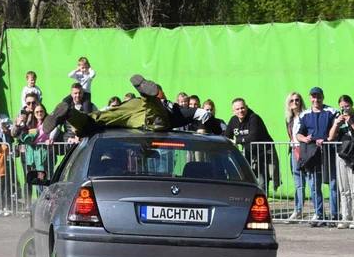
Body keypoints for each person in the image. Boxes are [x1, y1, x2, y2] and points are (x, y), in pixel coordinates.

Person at [42, 75, 218, 137]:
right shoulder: (179, 109)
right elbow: (204, 114)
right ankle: (148, 96)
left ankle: (70, 114)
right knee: (157, 120)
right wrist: (218, 130)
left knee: (96, 119)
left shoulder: (131, 103)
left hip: (132, 105)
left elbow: (105, 113)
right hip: (151, 114)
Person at [295, 86, 339, 226]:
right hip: (311, 154)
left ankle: (334, 214)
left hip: (329, 152)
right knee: (314, 185)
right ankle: (319, 214)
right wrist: (304, 139)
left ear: (323, 97)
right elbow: (298, 134)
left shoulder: (332, 111)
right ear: (310, 98)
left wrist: (326, 139)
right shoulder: (304, 114)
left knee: (332, 184)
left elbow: (337, 130)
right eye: (313, 97)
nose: (316, 99)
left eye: (318, 96)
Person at [327, 95, 354, 228]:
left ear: (352, 104)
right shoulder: (338, 118)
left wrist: (351, 122)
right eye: (342, 107)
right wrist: (337, 123)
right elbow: (330, 137)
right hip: (341, 154)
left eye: (347, 106)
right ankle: (345, 217)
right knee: (343, 189)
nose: (345, 109)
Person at [225, 97, 276, 193]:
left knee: (262, 180)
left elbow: (253, 136)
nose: (241, 111)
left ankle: (263, 204)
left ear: (247, 107)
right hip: (248, 153)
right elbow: (227, 136)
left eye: (242, 108)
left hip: (263, 152)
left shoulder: (254, 118)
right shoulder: (233, 120)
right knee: (247, 178)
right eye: (237, 109)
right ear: (233, 111)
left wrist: (237, 141)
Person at [285, 92, 309, 220]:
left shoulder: (306, 115)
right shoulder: (289, 119)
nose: (295, 103)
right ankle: (297, 210)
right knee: (298, 183)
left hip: (306, 151)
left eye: (297, 100)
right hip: (294, 151)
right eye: (292, 101)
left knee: (311, 182)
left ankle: (318, 211)